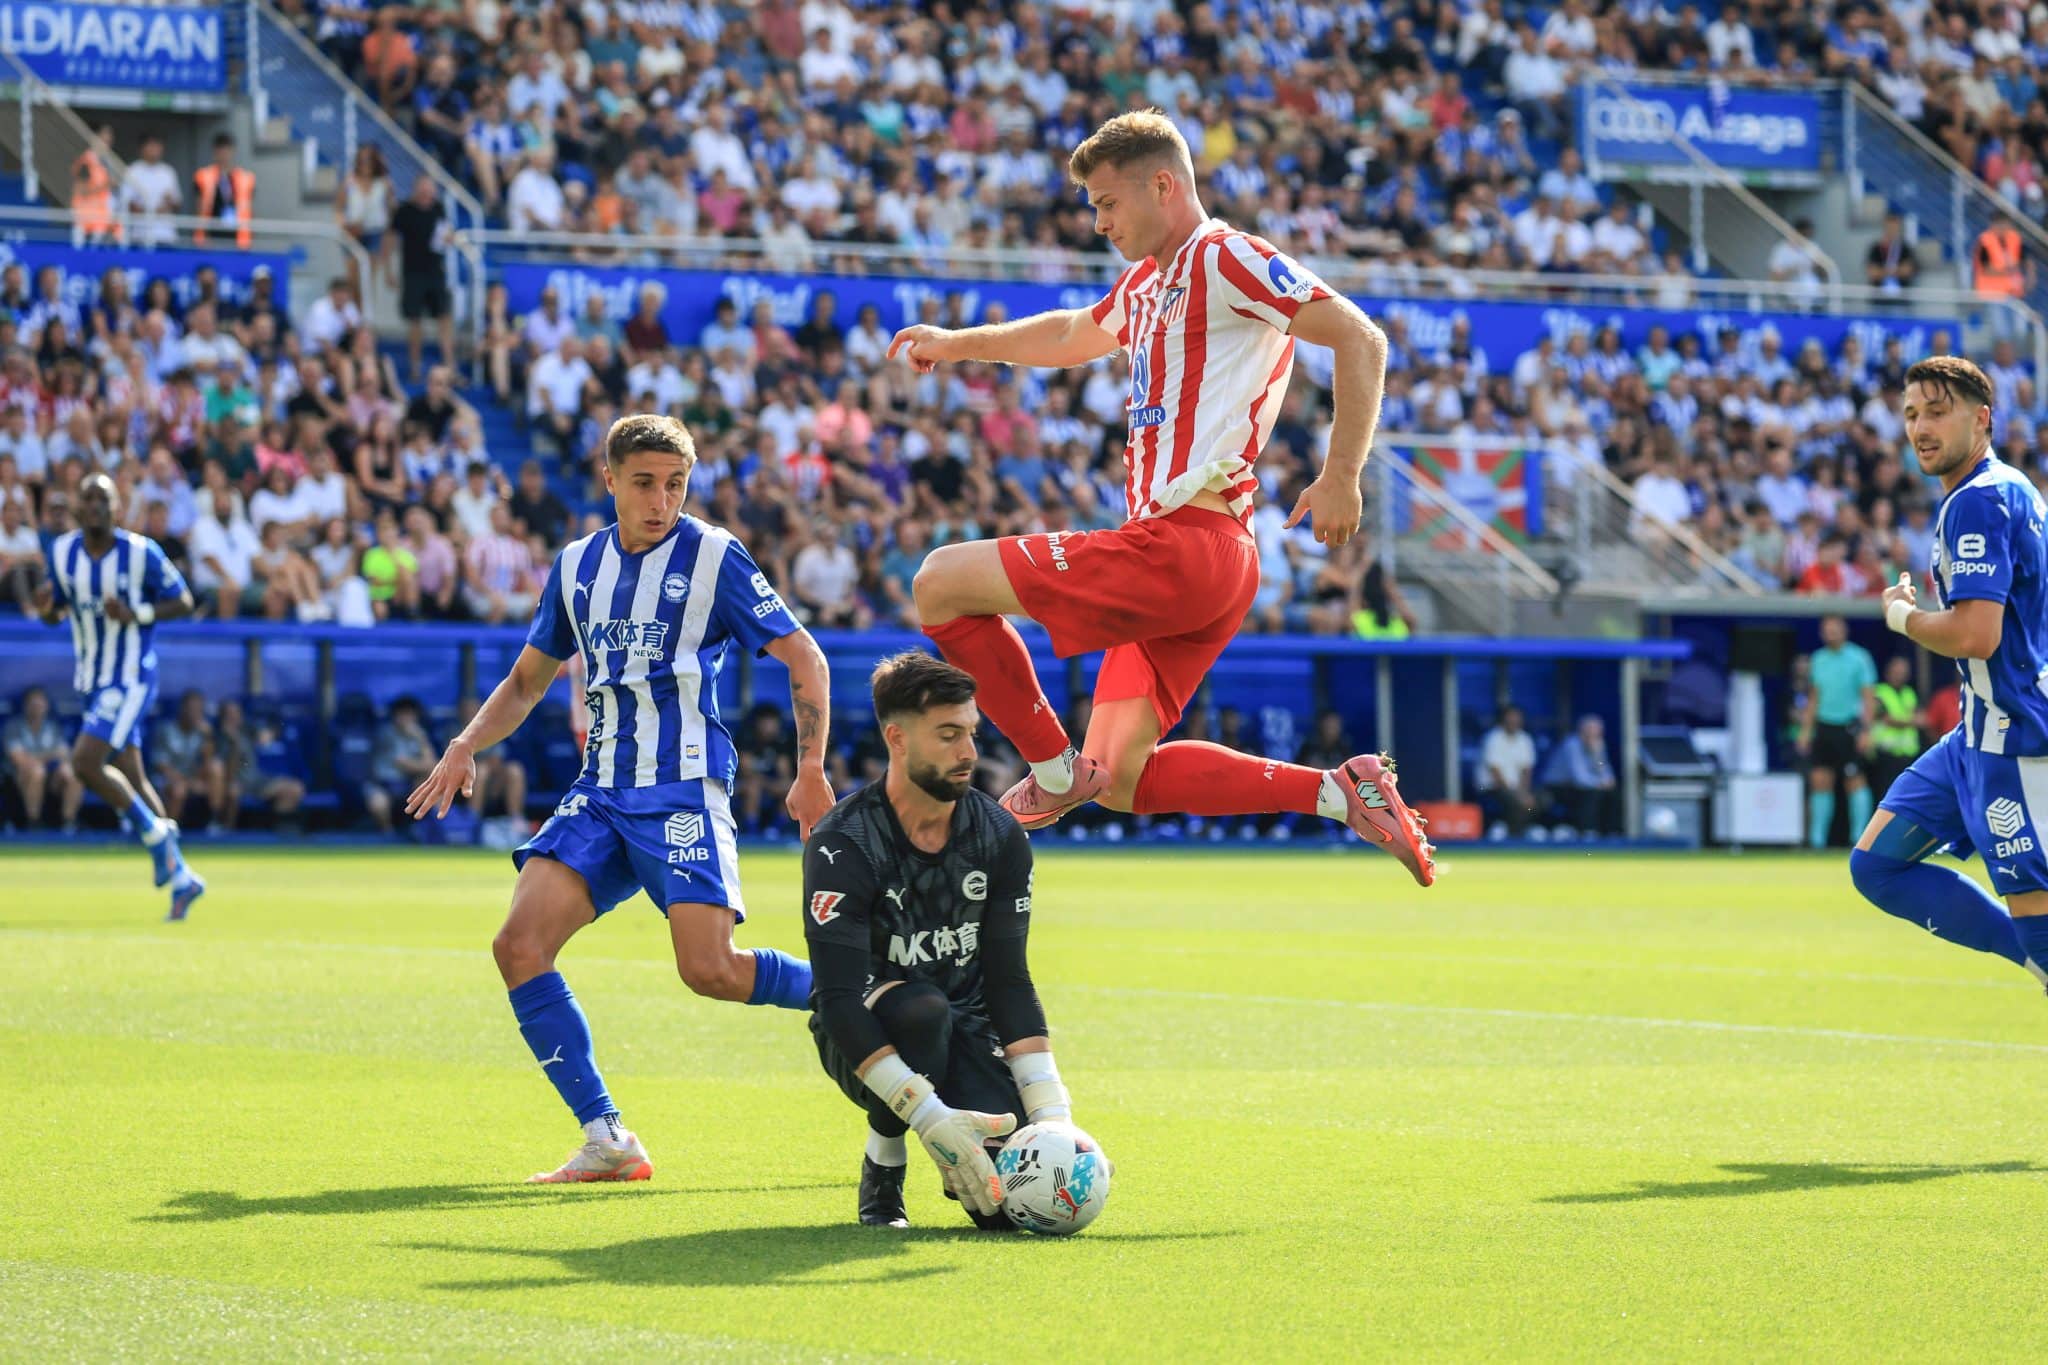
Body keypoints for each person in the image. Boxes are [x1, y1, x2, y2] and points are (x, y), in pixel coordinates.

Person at [887, 110, 1433, 886]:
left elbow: (1361, 337)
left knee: (939, 583)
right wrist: (956, 343)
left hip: (1184, 545)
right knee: (1121, 776)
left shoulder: (1225, 256)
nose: (1099, 222)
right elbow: (1069, 334)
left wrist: (1342, 472)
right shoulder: (1147, 283)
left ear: (1165, 186)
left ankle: (1051, 773)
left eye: (1109, 203)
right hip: (1203, 560)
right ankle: (1339, 793)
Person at [404, 414, 836, 1184]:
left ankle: (857, 990)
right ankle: (606, 1136)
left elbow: (804, 654)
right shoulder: (577, 565)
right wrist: (466, 743)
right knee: (518, 946)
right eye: (644, 483)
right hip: (600, 791)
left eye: (675, 485)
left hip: (681, 788)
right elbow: (527, 681)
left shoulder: (713, 556)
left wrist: (811, 767)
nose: (661, 501)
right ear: (609, 479)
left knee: (710, 969)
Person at [804, 651, 1090, 1229]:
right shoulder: (843, 842)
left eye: (971, 733)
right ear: (897, 739)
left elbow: (1009, 981)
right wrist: (931, 1119)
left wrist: (1052, 1116)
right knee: (922, 1009)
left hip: (968, 1029)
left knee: (1009, 1207)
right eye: (948, 735)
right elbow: (837, 1001)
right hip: (865, 1033)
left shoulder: (998, 834)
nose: (969, 752)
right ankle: (884, 1161)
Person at [1854, 357, 2048, 988]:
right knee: (1876, 865)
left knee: (2043, 932)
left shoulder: (1978, 500)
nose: (1921, 428)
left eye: (1938, 412)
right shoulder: (2008, 486)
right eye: (1912, 414)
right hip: (1974, 735)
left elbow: (1974, 634)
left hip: (2015, 740)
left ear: (1982, 418)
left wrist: (1902, 617)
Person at [30, 473, 205, 919]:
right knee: (132, 775)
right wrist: (46, 609)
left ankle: (158, 839)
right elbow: (56, 611)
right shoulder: (62, 552)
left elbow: (184, 601)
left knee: (85, 762)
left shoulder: (142, 552)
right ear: (78, 506)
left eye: (103, 499)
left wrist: (136, 612)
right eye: (87, 498)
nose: (95, 506)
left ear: (117, 507)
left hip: (130, 676)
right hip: (91, 678)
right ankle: (182, 879)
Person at [1798, 615, 1877, 848]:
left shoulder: (1859, 658)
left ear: (1844, 631)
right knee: (1820, 781)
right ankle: (1817, 841)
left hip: (1849, 727)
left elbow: (1868, 697)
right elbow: (1814, 697)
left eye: (1835, 629)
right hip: (1824, 727)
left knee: (1855, 780)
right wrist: (1806, 731)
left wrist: (1866, 731)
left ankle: (1859, 839)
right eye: (1827, 630)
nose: (1831, 633)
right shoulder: (1818, 659)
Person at [390, 176, 457, 383]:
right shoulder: (405, 211)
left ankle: (450, 367)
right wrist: (388, 269)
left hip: (436, 272)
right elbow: (390, 238)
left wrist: (449, 238)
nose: (428, 194)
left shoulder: (438, 208)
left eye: (430, 190)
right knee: (415, 321)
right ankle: (415, 366)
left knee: (444, 317)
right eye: (424, 190)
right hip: (413, 273)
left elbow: (446, 232)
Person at [5, 685, 83, 832]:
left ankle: (69, 823)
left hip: (52, 779)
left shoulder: (52, 727)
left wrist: (51, 760)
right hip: (19, 779)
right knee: (37, 771)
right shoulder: (13, 727)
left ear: (47, 706)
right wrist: (50, 755)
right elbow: (19, 760)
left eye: (40, 704)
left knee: (72, 774)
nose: (37, 708)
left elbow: (65, 754)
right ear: (25, 706)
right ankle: (33, 821)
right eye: (33, 704)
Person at [153, 688, 223, 829]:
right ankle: (169, 830)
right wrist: (188, 783)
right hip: (168, 779)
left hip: (191, 777)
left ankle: (215, 822)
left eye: (198, 710)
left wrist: (209, 737)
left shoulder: (202, 732)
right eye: (191, 709)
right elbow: (161, 766)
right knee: (179, 789)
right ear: (182, 709)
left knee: (216, 768)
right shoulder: (166, 730)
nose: (194, 714)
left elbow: (207, 762)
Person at [1545, 715, 1618, 836]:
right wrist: (1602, 783)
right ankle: (1588, 831)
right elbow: (1579, 778)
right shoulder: (1571, 745)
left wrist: (1596, 755)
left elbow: (1605, 772)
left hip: (1580, 786)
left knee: (1613, 793)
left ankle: (1611, 832)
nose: (1593, 736)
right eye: (1589, 732)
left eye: (1596, 733)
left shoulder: (1598, 746)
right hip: (1557, 787)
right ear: (1581, 731)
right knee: (1592, 792)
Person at [1476, 704, 1541, 838]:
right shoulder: (1493, 738)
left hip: (1516, 789)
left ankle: (1524, 829)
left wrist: (1523, 792)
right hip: (1492, 788)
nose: (1514, 721)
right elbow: (1495, 772)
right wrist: (1518, 795)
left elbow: (1526, 770)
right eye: (1510, 718)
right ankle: (1511, 832)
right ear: (1503, 719)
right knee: (1513, 799)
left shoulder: (1525, 738)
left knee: (1543, 798)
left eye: (1517, 718)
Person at [1867, 655, 1923, 799]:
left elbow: (1921, 717)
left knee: (1907, 795)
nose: (1900, 676)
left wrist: (1912, 720)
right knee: (1886, 795)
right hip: (1886, 753)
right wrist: (1911, 721)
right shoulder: (1879, 692)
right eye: (1896, 672)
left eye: (1903, 673)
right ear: (1887, 673)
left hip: (1908, 754)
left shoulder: (1909, 693)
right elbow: (1886, 719)